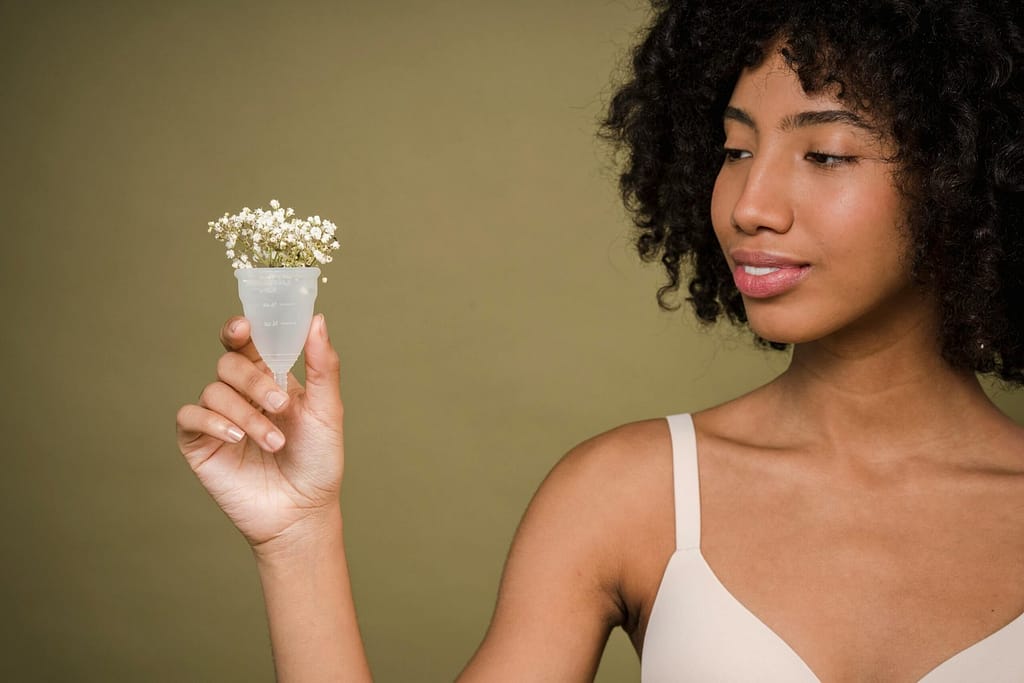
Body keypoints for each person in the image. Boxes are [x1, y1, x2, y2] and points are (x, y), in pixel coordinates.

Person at [175, 0, 1024, 680]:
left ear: (970, 173)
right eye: (733, 149)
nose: (749, 203)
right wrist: (299, 536)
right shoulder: (628, 496)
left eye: (827, 154)